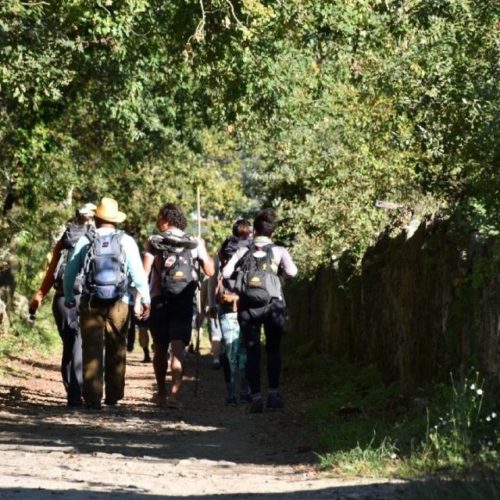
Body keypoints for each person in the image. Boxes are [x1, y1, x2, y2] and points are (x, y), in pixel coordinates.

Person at [63, 197, 151, 410]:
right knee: (117, 346)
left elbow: (70, 272)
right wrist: (145, 298)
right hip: (119, 302)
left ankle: (92, 398)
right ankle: (113, 395)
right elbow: (137, 274)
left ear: (98, 218)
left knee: (91, 348)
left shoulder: (86, 240)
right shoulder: (126, 241)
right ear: (115, 220)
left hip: (91, 301)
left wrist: (68, 297)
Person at [222, 208, 298, 413]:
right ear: (272, 233)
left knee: (252, 351)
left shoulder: (243, 251)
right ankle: (273, 395)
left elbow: (226, 272)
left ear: (254, 231)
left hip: (248, 307)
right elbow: (292, 272)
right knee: (273, 350)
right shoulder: (280, 250)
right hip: (274, 305)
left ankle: (255, 398)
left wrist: (240, 280)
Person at [143, 203, 214, 408]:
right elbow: (209, 271)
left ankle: (161, 393)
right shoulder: (194, 242)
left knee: (159, 348)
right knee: (178, 349)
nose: (157, 222)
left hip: (159, 299)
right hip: (184, 300)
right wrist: (203, 252)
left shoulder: (155, 241)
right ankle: (174, 395)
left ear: (166, 219)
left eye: (159, 218)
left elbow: (144, 272)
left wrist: (140, 298)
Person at [29, 203, 96, 407]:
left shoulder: (65, 239)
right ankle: (78, 393)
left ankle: (72, 390)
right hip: (88, 298)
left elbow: (51, 272)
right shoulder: (98, 239)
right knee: (81, 343)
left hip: (61, 299)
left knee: (70, 343)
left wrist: (39, 296)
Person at [210, 218, 252, 405]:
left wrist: (212, 302)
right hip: (249, 303)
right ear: (249, 231)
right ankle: (246, 390)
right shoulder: (255, 248)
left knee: (229, 350)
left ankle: (231, 393)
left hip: (226, 304)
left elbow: (215, 277)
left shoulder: (225, 248)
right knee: (244, 348)